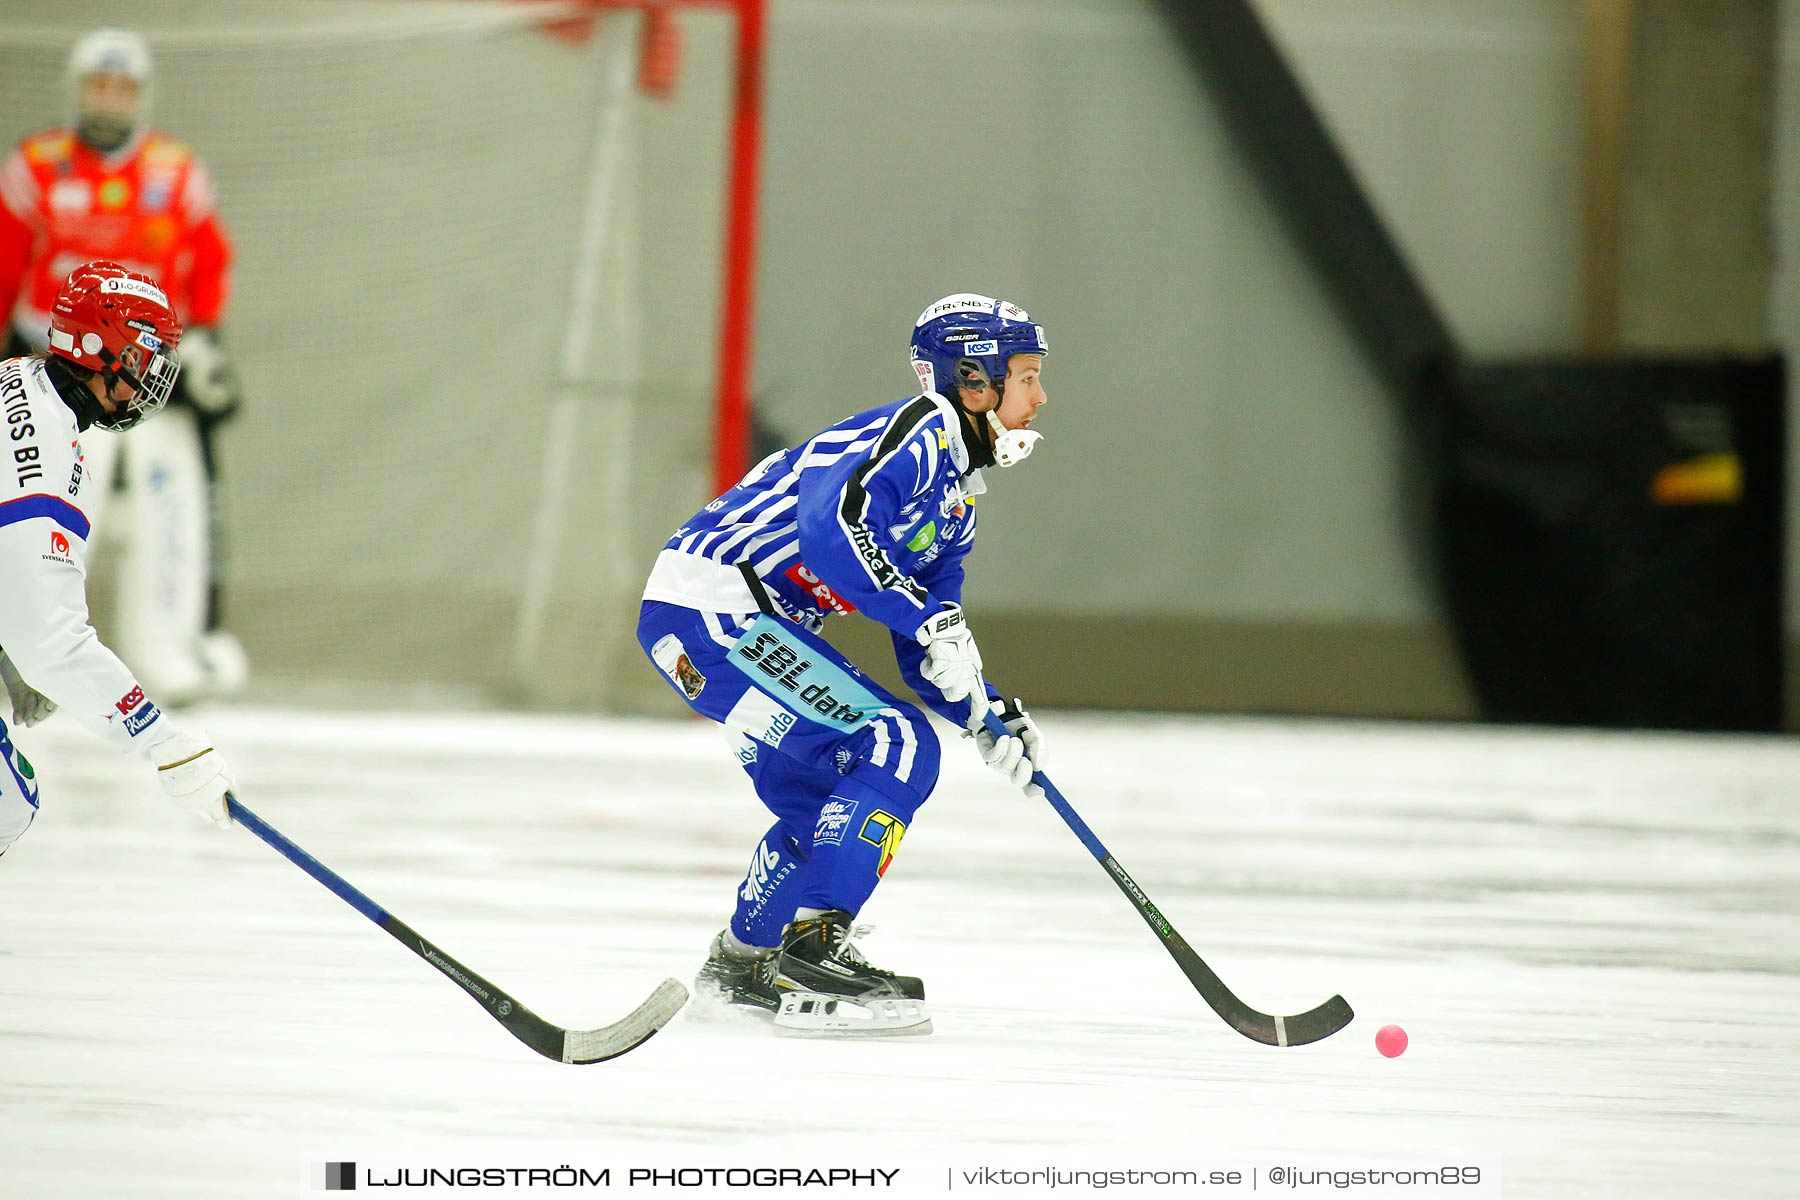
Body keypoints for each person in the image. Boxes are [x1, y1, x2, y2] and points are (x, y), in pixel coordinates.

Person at [637, 293, 1051, 1036]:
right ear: (974, 380)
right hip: (714, 611)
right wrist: (930, 620)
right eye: (1025, 376)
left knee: (827, 800)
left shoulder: (953, 505)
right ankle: (813, 944)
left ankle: (741, 965)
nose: (1040, 396)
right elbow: (834, 538)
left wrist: (987, 714)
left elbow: (927, 649)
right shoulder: (915, 435)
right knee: (893, 743)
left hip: (727, 626)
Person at [0, 27, 248, 705]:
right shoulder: (36, 167)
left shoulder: (177, 172)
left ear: (140, 96)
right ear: (78, 88)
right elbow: (5, 259)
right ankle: (26, 648)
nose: (108, 98)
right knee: (43, 507)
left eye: (122, 86)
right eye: (97, 84)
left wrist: (205, 339)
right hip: (56, 373)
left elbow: (210, 263)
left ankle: (167, 653)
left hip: (149, 376)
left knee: (170, 511)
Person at [0, 261, 235, 861]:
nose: (150, 376)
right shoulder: (43, 454)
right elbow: (52, 645)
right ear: (95, 349)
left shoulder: (22, 380)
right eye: (139, 357)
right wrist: (164, 741)